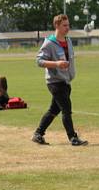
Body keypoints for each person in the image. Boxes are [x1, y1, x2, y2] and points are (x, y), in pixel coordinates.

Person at [32, 14, 87, 146]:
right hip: (55, 82)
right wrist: (56, 64)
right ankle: (72, 137)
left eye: (68, 25)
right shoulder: (49, 43)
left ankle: (38, 134)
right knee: (66, 109)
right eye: (64, 25)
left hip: (66, 81)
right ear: (56, 25)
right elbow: (39, 61)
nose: (67, 28)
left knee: (54, 110)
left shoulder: (68, 41)